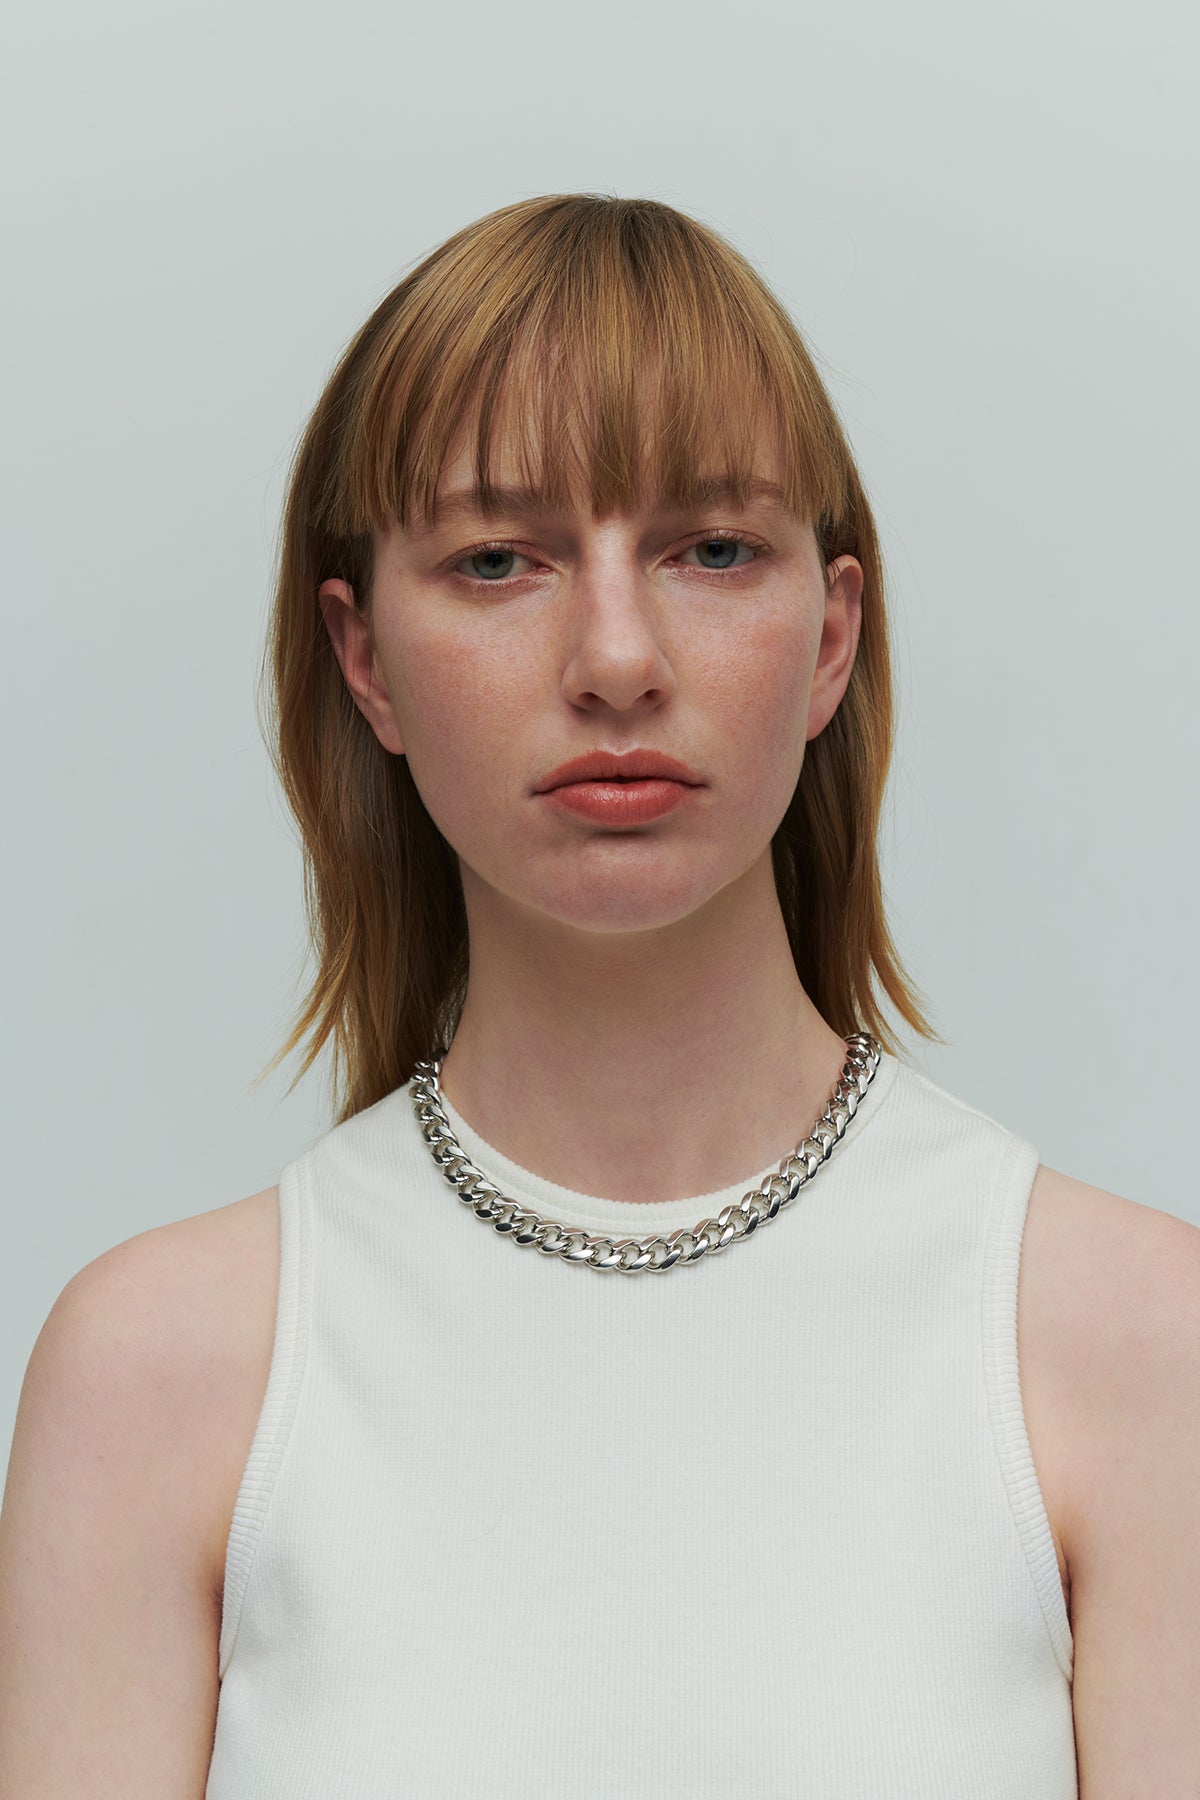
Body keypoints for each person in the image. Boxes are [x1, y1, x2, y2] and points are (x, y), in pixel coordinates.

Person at [0, 193, 1196, 1798]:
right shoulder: (157, 1376)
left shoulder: (1141, 1348)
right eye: (498, 560)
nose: (617, 659)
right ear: (364, 660)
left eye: (714, 549)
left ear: (831, 636)